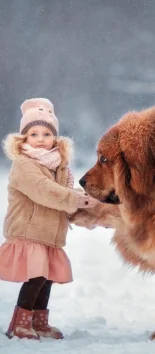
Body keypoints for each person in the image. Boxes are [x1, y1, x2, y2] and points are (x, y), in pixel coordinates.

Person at [0, 98, 98, 340]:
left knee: (46, 279)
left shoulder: (58, 166)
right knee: (35, 278)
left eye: (46, 133)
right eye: (34, 134)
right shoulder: (24, 165)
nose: (41, 138)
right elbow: (44, 191)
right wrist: (76, 200)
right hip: (29, 229)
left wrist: (87, 203)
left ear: (55, 138)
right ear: (24, 139)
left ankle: (39, 321)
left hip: (49, 233)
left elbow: (64, 196)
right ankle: (20, 323)